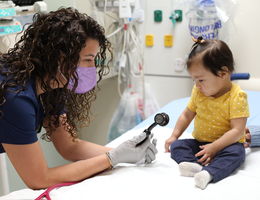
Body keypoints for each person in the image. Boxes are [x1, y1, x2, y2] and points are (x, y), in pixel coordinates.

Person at [0, 8, 157, 189]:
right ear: (59, 57)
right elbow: (39, 179)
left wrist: (125, 151)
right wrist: (112, 158)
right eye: (88, 59)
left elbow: (69, 146)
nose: (92, 68)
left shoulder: (54, 83)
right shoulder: (15, 97)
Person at [164, 36, 250, 190]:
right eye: (194, 81)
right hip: (201, 144)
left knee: (237, 154)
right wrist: (174, 136)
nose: (197, 85)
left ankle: (210, 173)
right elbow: (187, 114)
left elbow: (237, 131)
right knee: (178, 146)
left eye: (201, 80)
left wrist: (215, 147)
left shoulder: (237, 96)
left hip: (227, 145)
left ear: (223, 73)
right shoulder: (199, 92)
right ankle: (194, 165)